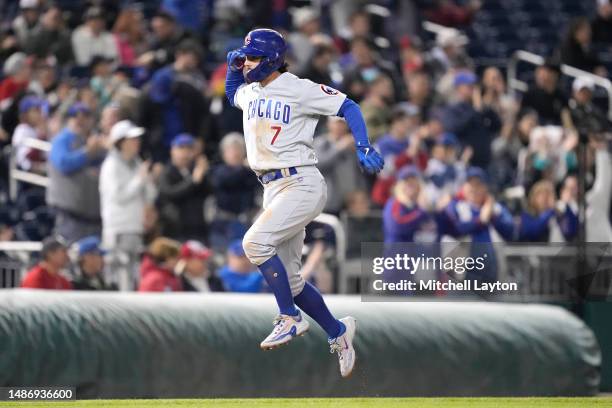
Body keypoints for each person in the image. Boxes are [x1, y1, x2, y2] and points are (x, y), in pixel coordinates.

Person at [226, 28, 384, 377]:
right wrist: (232, 69)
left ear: (271, 60)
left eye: (252, 57)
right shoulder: (251, 91)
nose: (246, 61)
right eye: (245, 56)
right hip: (271, 185)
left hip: (300, 181)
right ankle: (338, 332)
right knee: (293, 281)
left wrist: (362, 145)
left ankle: (289, 317)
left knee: (254, 243)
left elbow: (348, 106)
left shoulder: (298, 88)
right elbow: (232, 94)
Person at [100, 120, 157, 291]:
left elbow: (151, 194)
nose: (137, 143)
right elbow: (118, 196)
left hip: (135, 227)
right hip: (119, 229)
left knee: (134, 276)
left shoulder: (137, 163)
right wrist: (139, 179)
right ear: (121, 142)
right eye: (132, 139)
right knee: (120, 276)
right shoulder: (111, 166)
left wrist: (147, 181)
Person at [47, 103, 106, 243]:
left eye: (85, 116)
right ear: (68, 120)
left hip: (94, 218)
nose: (81, 120)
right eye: (75, 116)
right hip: (71, 216)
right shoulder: (62, 140)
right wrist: (87, 153)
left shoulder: (94, 141)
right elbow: (63, 164)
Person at [157, 133, 211, 241]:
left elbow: (209, 192)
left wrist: (205, 173)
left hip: (198, 229)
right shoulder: (166, 172)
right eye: (181, 148)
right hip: (174, 230)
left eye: (189, 149)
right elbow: (170, 194)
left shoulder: (196, 171)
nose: (185, 153)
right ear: (172, 150)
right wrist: (193, 181)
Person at [442, 71, 500, 169]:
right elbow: (455, 128)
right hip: (466, 161)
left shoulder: (480, 107)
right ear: (458, 88)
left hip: (486, 161)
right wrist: (476, 111)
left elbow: (497, 126)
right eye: (469, 86)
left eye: (474, 86)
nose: (473, 89)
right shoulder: (453, 109)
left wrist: (486, 109)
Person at [520, 61, 567, 126]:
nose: (544, 76)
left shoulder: (561, 96)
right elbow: (523, 113)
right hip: (535, 126)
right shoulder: (532, 92)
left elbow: (566, 117)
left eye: (548, 72)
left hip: (555, 128)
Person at [11, 95, 47, 173]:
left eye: (40, 110)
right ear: (25, 114)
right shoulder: (21, 130)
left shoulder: (38, 129)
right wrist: (42, 136)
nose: (39, 114)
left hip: (40, 171)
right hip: (24, 175)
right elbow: (26, 159)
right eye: (35, 111)